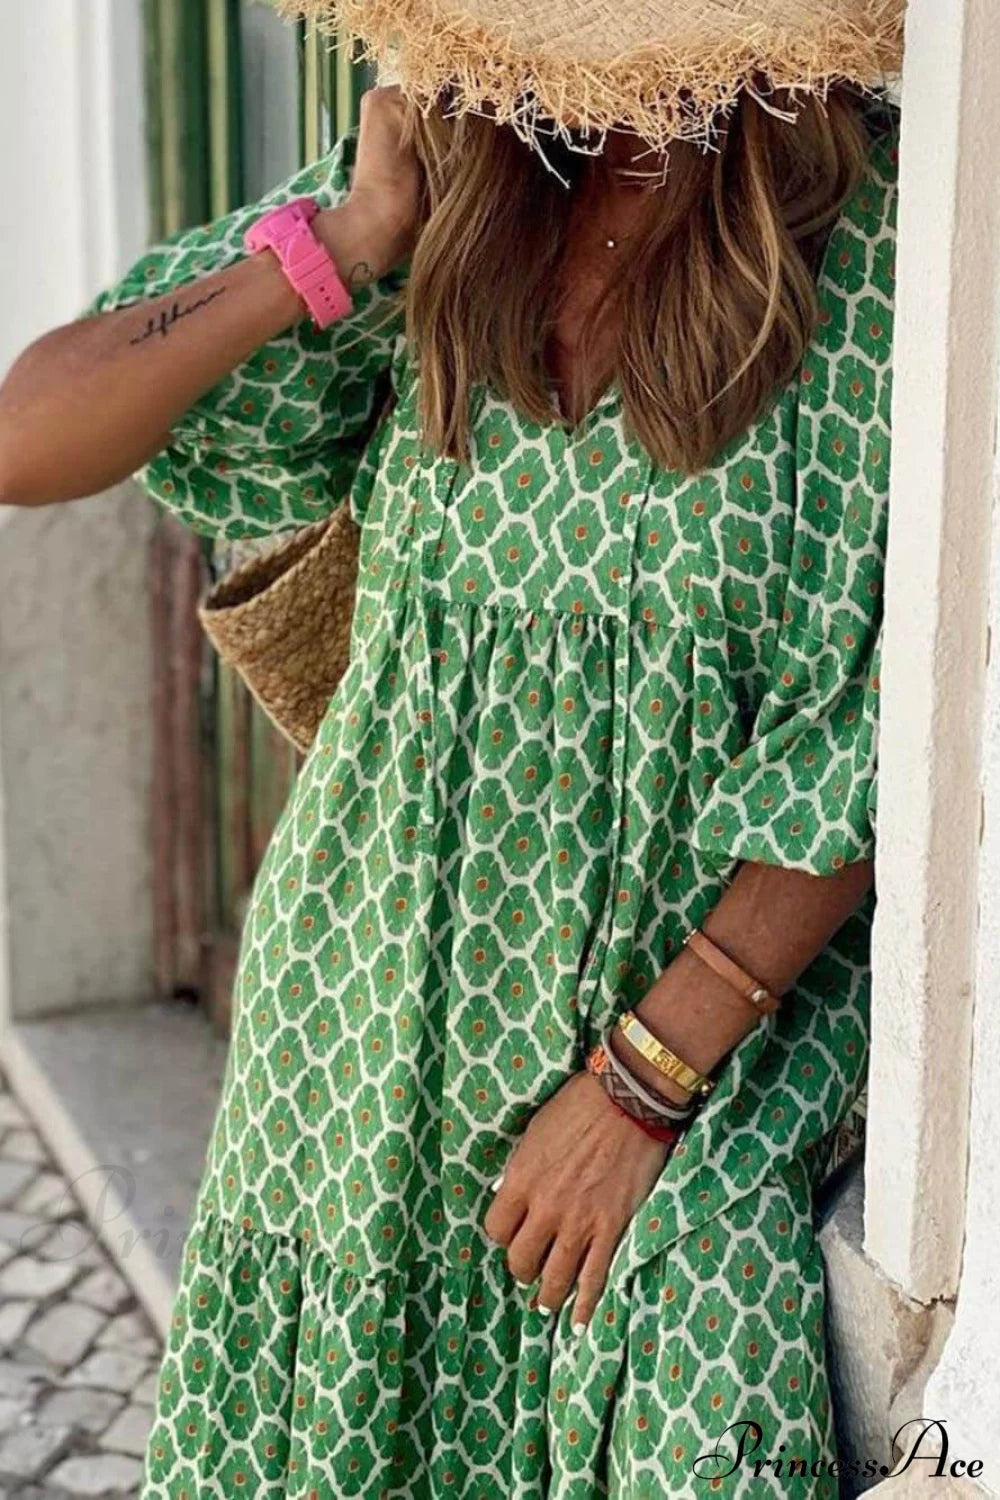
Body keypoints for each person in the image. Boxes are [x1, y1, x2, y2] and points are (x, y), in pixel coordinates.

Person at [0, 0, 903, 1489]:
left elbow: (868, 732)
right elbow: (32, 435)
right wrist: (349, 238)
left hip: (685, 1050)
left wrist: (645, 1083)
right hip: (360, 1027)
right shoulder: (460, 188)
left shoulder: (866, 243)